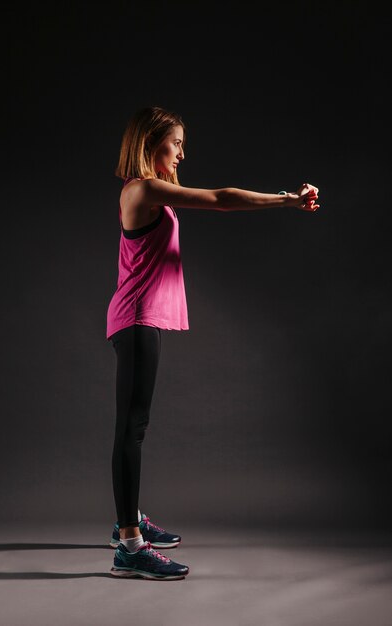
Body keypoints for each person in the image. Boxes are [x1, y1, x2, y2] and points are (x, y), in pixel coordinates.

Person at [106, 105, 320, 581]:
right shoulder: (144, 188)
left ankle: (129, 518)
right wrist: (288, 199)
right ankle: (128, 545)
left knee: (133, 426)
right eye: (176, 142)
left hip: (140, 318)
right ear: (150, 143)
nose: (183, 152)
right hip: (136, 318)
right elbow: (222, 198)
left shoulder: (149, 192)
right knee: (132, 428)